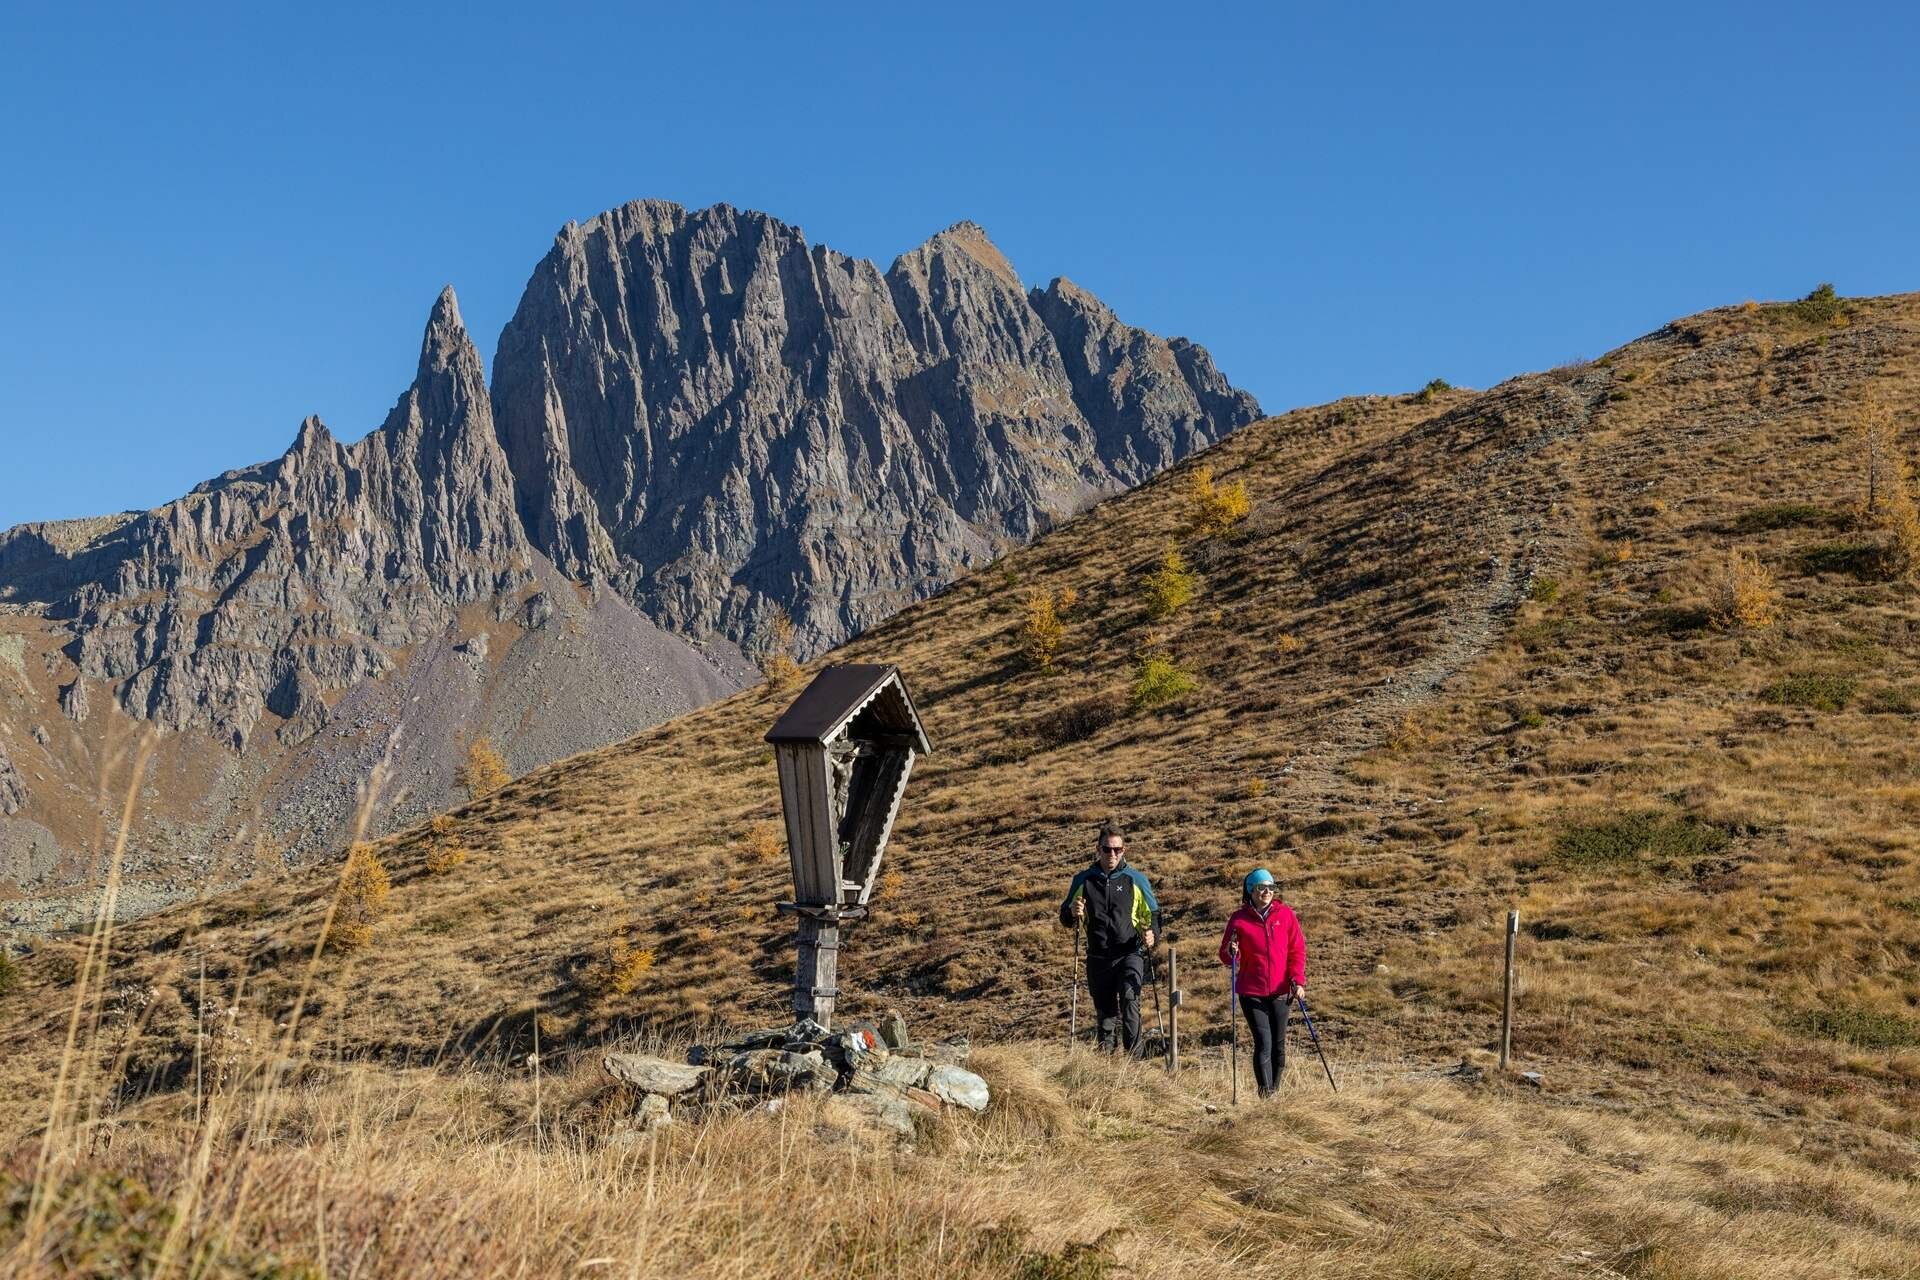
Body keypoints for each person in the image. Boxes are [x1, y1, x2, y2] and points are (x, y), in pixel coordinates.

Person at [1058, 819, 1161, 1054]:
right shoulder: (1083, 880)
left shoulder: (1136, 879)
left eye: (1117, 849)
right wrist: (1072, 912)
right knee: (1105, 1014)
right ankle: (1106, 1067)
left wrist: (1152, 935)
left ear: (1124, 850)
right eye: (1107, 849)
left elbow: (1154, 913)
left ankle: (1134, 1063)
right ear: (1098, 849)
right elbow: (1065, 917)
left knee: (1129, 1000)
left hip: (1129, 952)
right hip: (1098, 956)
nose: (1112, 854)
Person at [1219, 868, 1306, 1098]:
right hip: (1251, 992)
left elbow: (1297, 951)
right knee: (1263, 1043)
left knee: (1279, 1045)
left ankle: (1274, 1092)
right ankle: (1265, 1095)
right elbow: (1226, 956)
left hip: (1281, 991)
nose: (1267, 891)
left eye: (1271, 887)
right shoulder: (1238, 919)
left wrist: (1297, 980)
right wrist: (1231, 951)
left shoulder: (1286, 915)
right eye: (1261, 887)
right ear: (1251, 891)